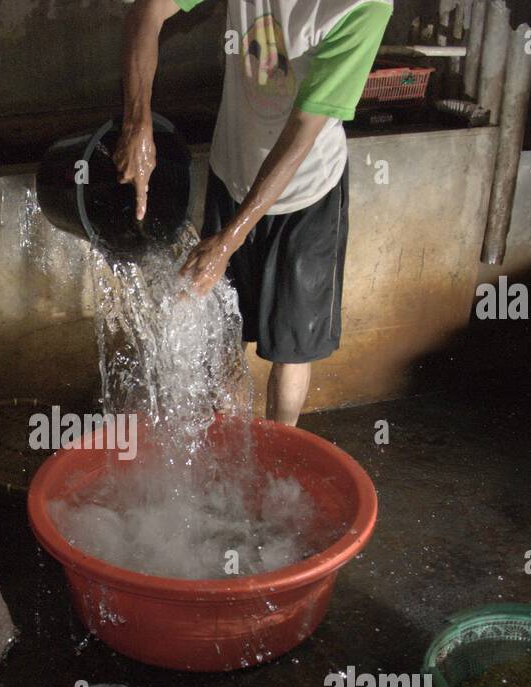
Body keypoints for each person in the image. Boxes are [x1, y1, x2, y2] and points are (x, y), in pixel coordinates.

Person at [116, 0, 392, 424]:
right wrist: (137, 122)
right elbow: (146, 12)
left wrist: (229, 239)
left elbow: (302, 131)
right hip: (234, 170)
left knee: (291, 347)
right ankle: (230, 450)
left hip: (307, 191)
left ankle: (276, 457)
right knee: (225, 334)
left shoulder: (364, 7)